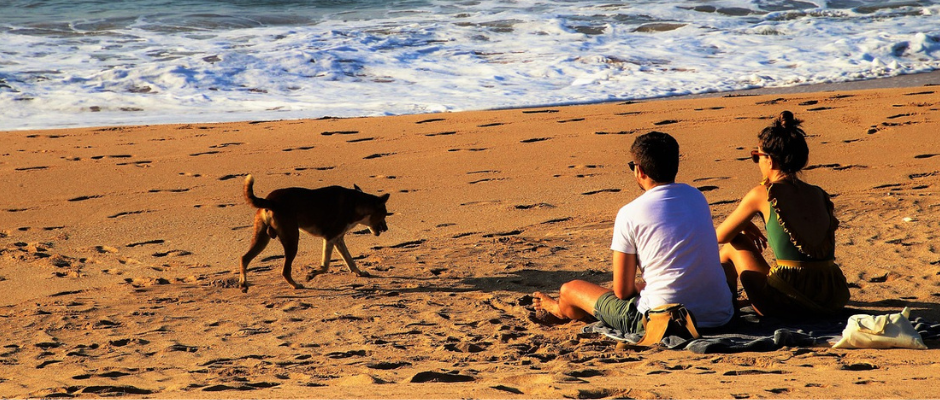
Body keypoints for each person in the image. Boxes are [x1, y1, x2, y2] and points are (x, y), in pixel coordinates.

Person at [533, 132, 734, 334]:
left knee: (570, 289)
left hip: (663, 321)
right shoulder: (696, 197)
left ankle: (559, 309)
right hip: (720, 315)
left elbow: (622, 291)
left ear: (640, 170)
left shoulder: (629, 213)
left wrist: (640, 288)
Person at [716, 111, 850, 317]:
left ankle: (725, 309)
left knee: (734, 245)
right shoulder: (818, 193)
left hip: (787, 302)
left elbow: (720, 236)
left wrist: (742, 226)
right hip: (830, 296)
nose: (757, 162)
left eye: (756, 156)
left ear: (769, 161)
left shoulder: (763, 194)